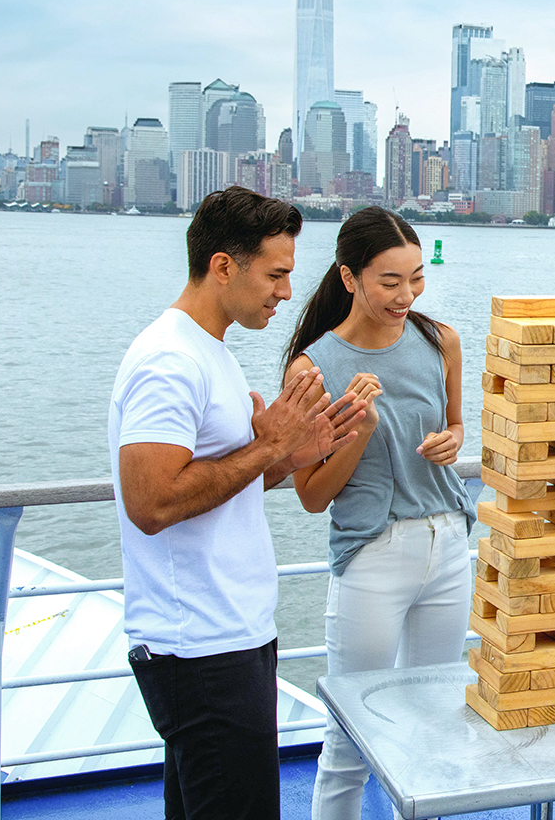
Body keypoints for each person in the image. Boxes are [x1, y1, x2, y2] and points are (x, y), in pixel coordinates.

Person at [109, 187, 365, 820]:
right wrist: (268, 446)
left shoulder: (210, 351)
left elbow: (216, 481)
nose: (285, 292)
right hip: (198, 646)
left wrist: (290, 456)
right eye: (275, 275)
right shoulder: (168, 362)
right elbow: (151, 500)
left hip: (230, 634)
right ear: (224, 265)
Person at [283, 206, 474, 820]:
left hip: (448, 546)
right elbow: (311, 495)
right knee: (349, 735)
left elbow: (454, 426)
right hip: (371, 556)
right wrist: (358, 431)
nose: (406, 294)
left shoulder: (439, 340)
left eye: (415, 277)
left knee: (436, 718)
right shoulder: (313, 369)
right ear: (349, 278)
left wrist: (453, 438)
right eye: (390, 281)